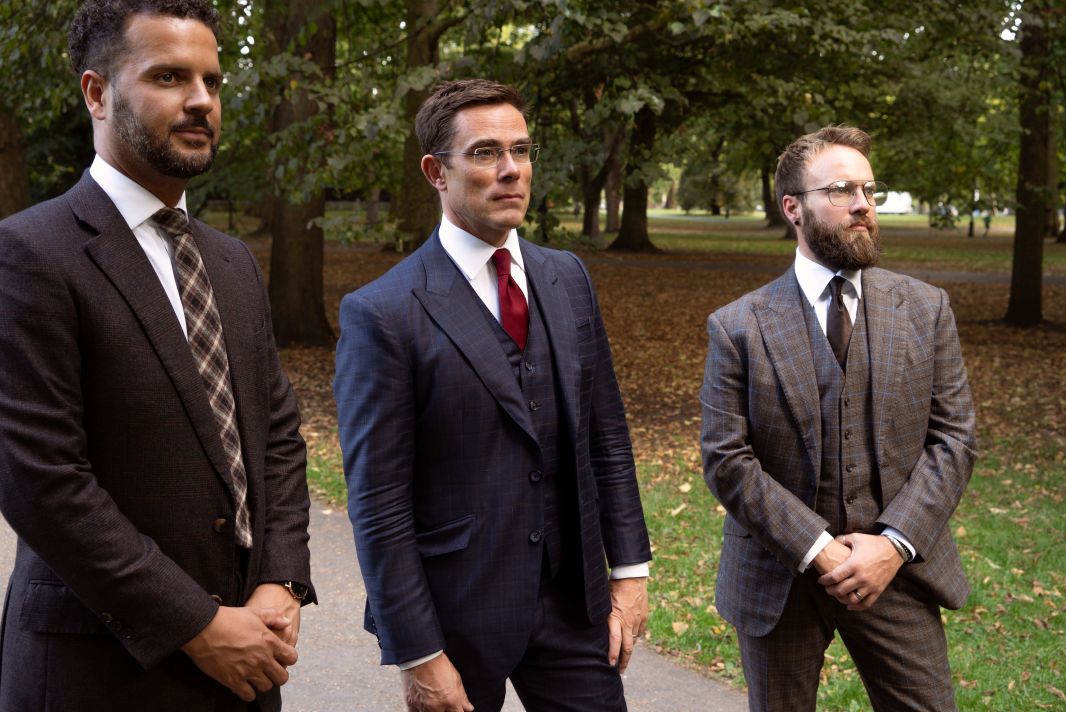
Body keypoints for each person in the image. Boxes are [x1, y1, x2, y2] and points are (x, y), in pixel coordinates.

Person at [0, 2, 315, 710]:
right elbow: (42, 480)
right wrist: (196, 623)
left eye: (212, 79)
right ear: (97, 92)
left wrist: (280, 580)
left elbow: (278, 438)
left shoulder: (232, 262)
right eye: (170, 77)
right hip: (101, 671)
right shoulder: (28, 253)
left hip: (248, 663)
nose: (201, 100)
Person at [334, 79, 651, 712]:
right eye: (484, 153)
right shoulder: (384, 312)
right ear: (436, 172)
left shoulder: (567, 276)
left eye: (521, 150)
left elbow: (605, 437)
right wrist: (418, 653)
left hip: (572, 608)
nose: (511, 170)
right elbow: (378, 502)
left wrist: (629, 574)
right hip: (455, 617)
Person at [699, 125, 977, 711]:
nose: (862, 206)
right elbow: (727, 459)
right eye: (842, 190)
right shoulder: (738, 325)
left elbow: (953, 439)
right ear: (793, 208)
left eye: (869, 190)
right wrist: (818, 549)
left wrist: (892, 545)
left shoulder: (926, 309)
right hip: (780, 575)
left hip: (894, 567)